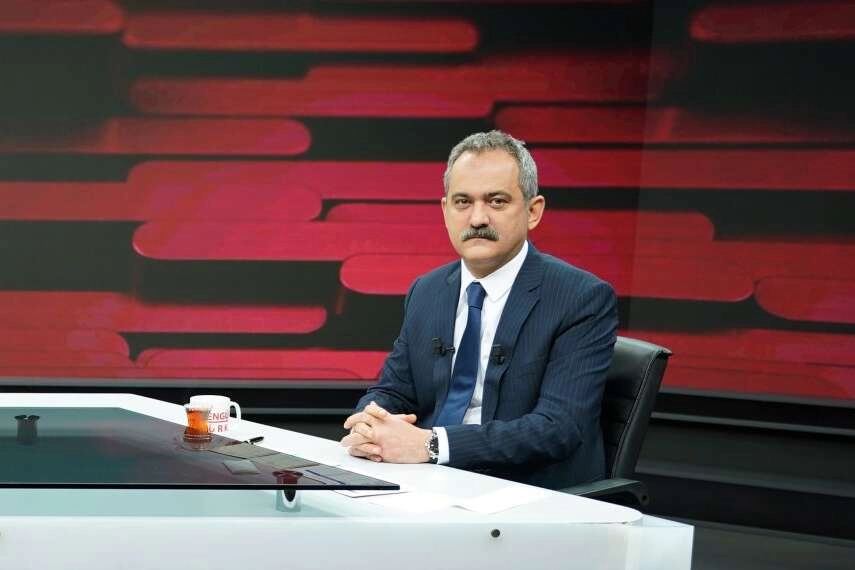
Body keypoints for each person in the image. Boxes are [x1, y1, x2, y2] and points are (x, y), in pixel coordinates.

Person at [340, 130, 617, 489]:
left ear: (533, 211)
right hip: (429, 482)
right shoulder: (427, 291)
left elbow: (557, 428)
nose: (477, 219)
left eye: (496, 201)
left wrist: (431, 445)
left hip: (526, 491)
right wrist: (370, 422)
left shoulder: (581, 297)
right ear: (445, 210)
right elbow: (395, 390)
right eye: (462, 202)